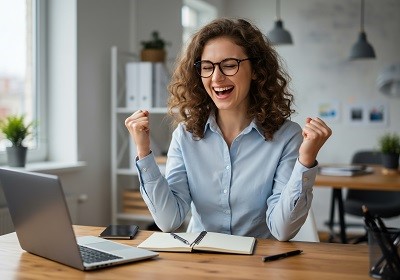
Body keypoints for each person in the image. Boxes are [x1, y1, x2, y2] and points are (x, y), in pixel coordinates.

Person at [125, 18, 332, 240]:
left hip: (260, 263)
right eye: (207, 67)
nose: (216, 77)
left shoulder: (287, 136)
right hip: (201, 261)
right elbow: (169, 221)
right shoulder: (185, 136)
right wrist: (143, 151)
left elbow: (282, 230)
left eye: (229, 65)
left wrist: (306, 160)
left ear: (256, 70)